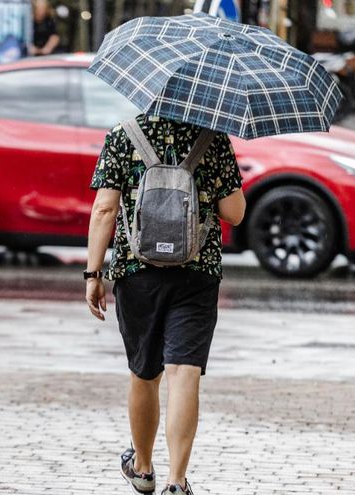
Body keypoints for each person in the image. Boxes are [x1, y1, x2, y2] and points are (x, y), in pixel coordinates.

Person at [84, 114, 245, 495]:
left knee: (144, 372)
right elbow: (235, 213)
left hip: (137, 272)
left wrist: (93, 274)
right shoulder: (213, 139)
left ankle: (141, 468)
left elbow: (104, 209)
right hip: (197, 272)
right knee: (183, 373)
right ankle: (176, 481)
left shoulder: (124, 135)